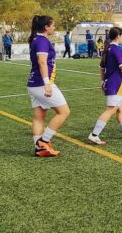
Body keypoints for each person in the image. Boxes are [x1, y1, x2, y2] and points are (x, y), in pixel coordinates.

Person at [87, 27, 122, 145]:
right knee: (111, 110)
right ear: (118, 36)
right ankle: (94, 134)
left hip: (116, 84)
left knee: (121, 109)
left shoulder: (109, 48)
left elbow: (102, 68)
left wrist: (102, 81)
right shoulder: (115, 49)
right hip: (115, 84)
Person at [28, 15, 70, 157]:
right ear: (46, 27)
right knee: (64, 112)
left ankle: (40, 149)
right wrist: (47, 83)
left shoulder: (37, 39)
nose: (54, 27)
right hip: (41, 83)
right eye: (52, 25)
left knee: (39, 117)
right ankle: (44, 142)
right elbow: (42, 62)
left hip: (34, 83)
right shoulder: (42, 40)